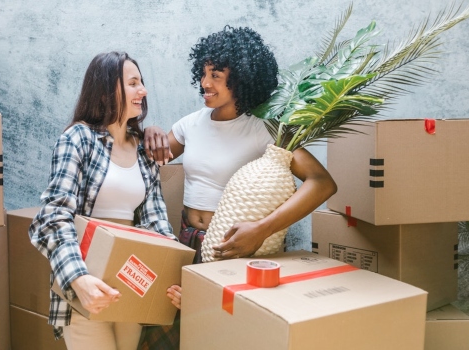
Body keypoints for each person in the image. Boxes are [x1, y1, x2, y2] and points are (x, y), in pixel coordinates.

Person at [140, 26, 338, 350]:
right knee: (168, 336)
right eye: (203, 74)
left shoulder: (263, 129)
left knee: (219, 336)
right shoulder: (191, 124)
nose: (205, 83)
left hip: (233, 250)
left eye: (216, 75)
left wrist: (261, 230)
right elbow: (149, 160)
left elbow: (322, 183)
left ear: (243, 78)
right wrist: (151, 130)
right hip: (186, 242)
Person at [28, 51, 176, 350]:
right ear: (108, 90)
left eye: (142, 82)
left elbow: (156, 221)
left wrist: (170, 277)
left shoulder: (143, 150)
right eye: (133, 83)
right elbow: (53, 218)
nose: (143, 91)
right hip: (86, 282)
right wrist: (79, 281)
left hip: (132, 283)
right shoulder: (78, 139)